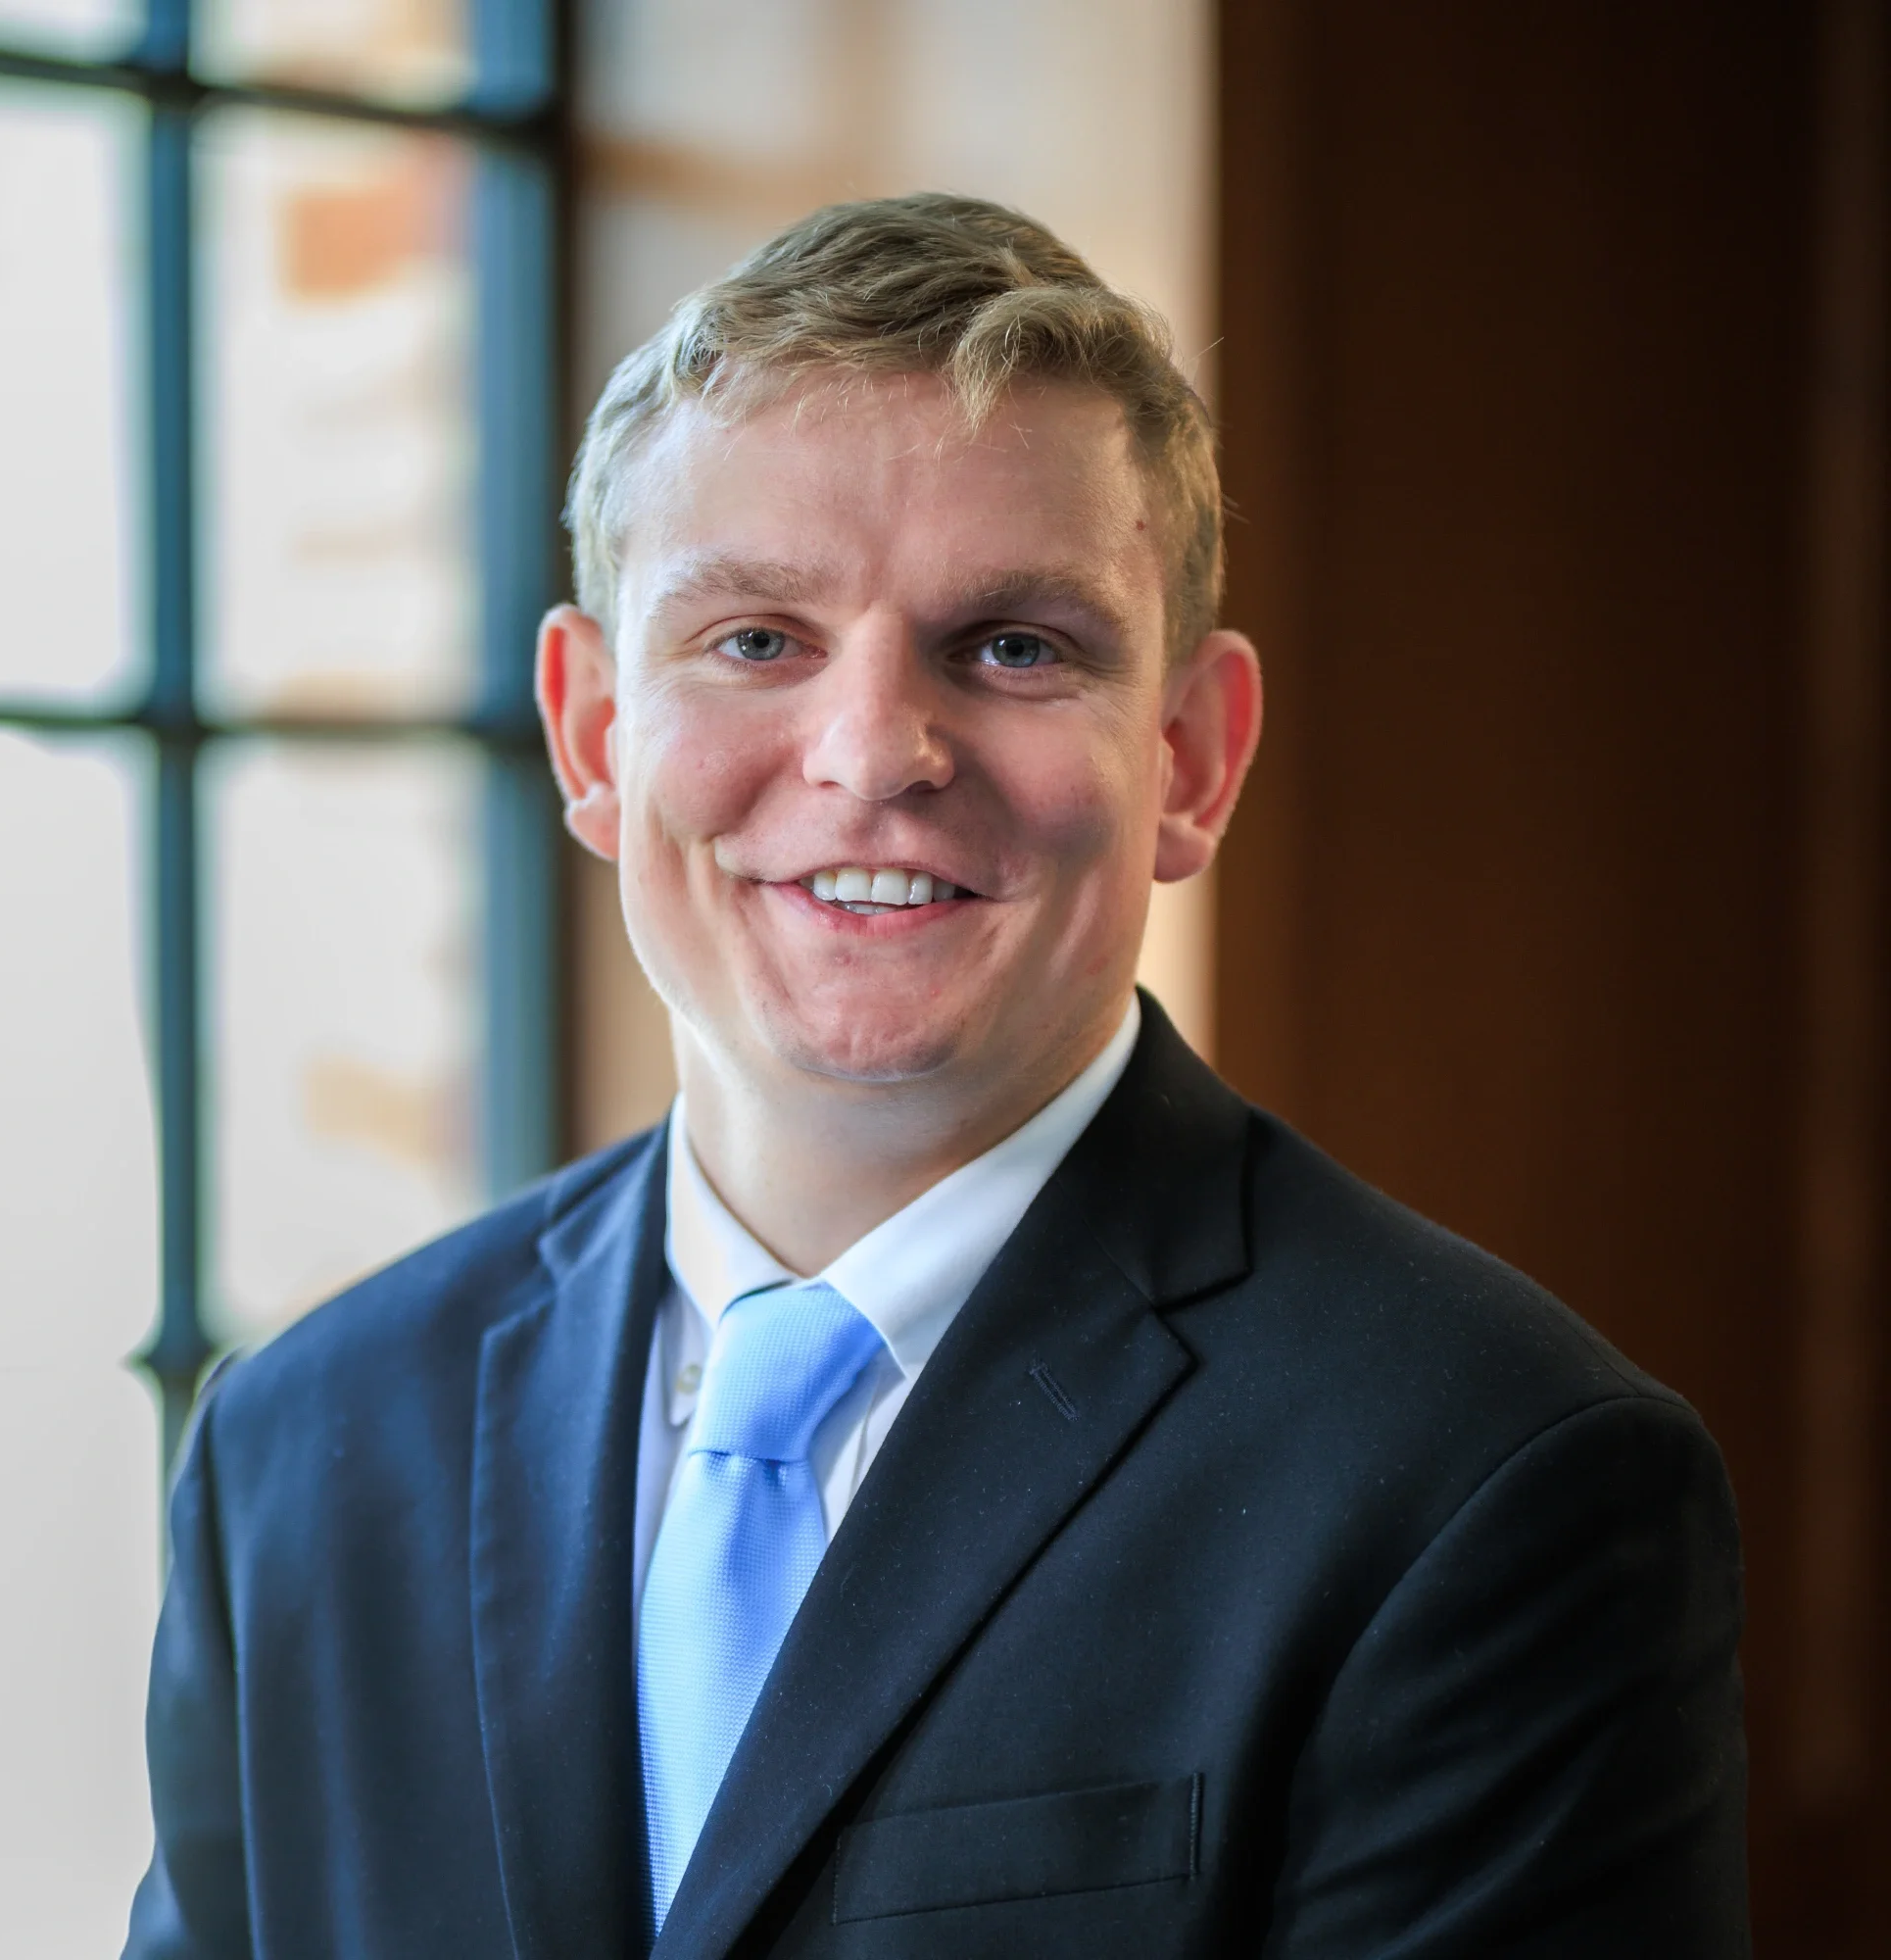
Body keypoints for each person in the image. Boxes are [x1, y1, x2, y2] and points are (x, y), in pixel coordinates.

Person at [124, 193, 1749, 1959]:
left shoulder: (1493, 1478)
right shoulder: (304, 1446)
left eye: (1016, 646)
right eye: (756, 638)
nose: (875, 753)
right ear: (596, 737)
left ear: (1191, 756)